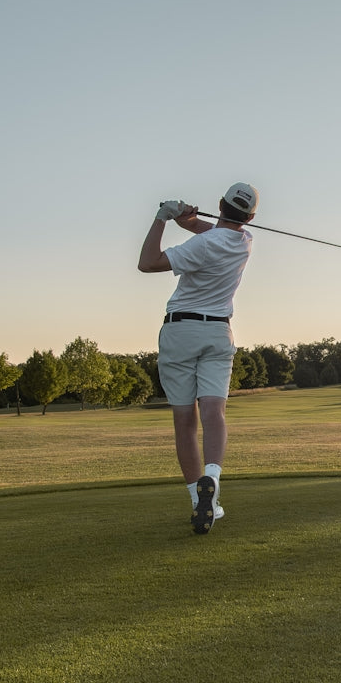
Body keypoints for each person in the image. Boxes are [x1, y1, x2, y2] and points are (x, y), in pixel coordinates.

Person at [138, 182, 258, 534]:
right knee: (213, 412)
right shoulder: (244, 241)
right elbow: (214, 229)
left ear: (220, 203)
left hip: (181, 331)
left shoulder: (202, 244)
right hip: (218, 333)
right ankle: (214, 480)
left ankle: (197, 498)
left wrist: (162, 218)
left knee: (184, 420)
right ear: (250, 217)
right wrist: (185, 219)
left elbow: (147, 263)